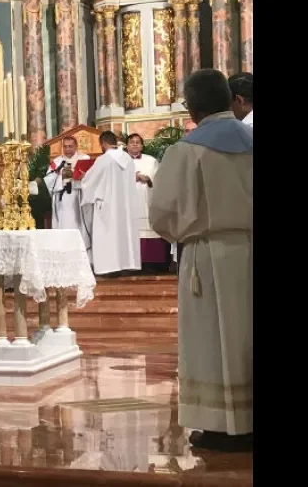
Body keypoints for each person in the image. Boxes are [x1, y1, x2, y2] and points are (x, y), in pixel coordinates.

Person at [149, 68, 252, 452]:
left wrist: (183, 235)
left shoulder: (187, 151)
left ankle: (219, 424)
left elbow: (163, 212)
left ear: (191, 106)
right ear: (229, 99)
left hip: (208, 256)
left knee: (213, 340)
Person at [80, 131, 141, 276]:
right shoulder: (127, 158)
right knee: (124, 232)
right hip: (126, 206)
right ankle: (127, 265)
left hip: (107, 205)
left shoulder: (104, 160)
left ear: (103, 143)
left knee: (108, 234)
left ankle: (109, 268)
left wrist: (84, 178)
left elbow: (90, 182)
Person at [126, 134, 170, 271]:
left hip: (147, 200)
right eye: (132, 142)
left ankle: (151, 263)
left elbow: (160, 178)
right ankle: (131, 264)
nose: (135, 144)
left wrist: (148, 179)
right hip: (129, 203)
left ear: (142, 145)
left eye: (137, 142)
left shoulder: (151, 161)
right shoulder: (121, 161)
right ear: (126, 145)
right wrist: (134, 176)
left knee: (149, 231)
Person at [42, 136, 91, 253]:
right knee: (64, 224)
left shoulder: (84, 159)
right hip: (63, 199)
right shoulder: (57, 162)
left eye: (70, 146)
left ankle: (81, 252)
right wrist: (62, 176)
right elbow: (49, 181)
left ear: (76, 146)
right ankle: (64, 251)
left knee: (78, 225)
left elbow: (92, 177)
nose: (68, 149)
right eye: (65, 146)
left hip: (78, 197)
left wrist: (83, 177)